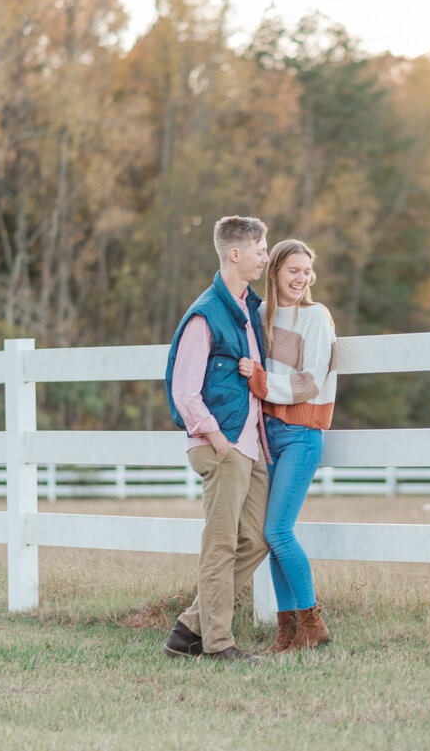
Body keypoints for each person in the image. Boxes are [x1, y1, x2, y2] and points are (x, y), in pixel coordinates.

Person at [161, 215, 272, 663]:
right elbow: (184, 391)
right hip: (222, 445)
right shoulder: (205, 314)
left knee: (261, 537)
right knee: (221, 543)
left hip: (250, 444)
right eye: (261, 250)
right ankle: (218, 643)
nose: (266, 257)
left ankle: (189, 627)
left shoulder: (248, 310)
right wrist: (218, 440)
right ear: (235, 253)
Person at [239, 239, 338, 654]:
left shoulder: (317, 318)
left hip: (302, 433)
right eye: (292, 270)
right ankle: (287, 631)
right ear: (274, 271)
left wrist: (262, 382)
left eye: (305, 271)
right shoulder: (261, 315)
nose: (300, 278)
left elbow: (311, 380)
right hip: (269, 434)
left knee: (277, 530)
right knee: (271, 534)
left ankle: (312, 625)